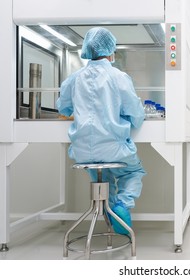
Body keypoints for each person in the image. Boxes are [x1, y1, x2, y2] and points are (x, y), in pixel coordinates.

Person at [56, 27, 146, 234]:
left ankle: (109, 212)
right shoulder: (118, 76)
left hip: (82, 153)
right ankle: (121, 206)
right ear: (110, 49)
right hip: (113, 148)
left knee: (102, 177)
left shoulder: (74, 78)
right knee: (132, 172)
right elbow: (136, 114)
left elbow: (63, 107)